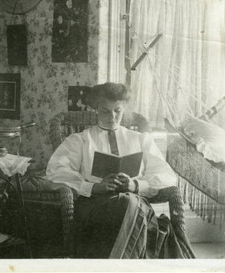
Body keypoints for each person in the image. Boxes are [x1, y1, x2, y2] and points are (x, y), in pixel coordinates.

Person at [46, 82, 194, 258]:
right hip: (96, 208)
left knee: (129, 202)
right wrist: (93, 187)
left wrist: (136, 185)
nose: (112, 117)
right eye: (105, 111)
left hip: (135, 202)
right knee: (130, 205)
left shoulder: (140, 139)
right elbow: (55, 171)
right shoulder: (81, 140)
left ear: (124, 109)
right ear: (95, 109)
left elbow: (167, 176)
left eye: (117, 111)